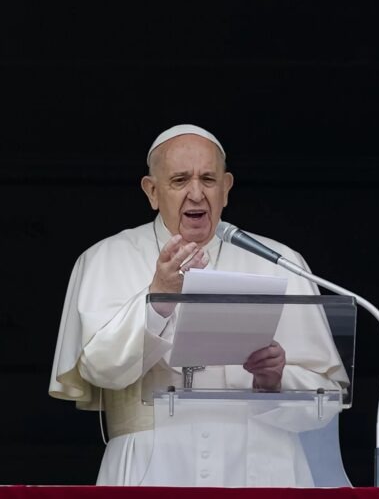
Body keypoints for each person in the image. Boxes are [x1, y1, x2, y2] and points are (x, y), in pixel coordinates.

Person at [49, 124, 349, 487]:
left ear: (226, 189)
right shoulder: (106, 258)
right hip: (151, 468)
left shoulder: (278, 260)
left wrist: (275, 380)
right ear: (152, 191)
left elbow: (327, 400)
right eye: (179, 180)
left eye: (208, 179)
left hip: (263, 470)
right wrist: (158, 298)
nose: (196, 193)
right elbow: (102, 370)